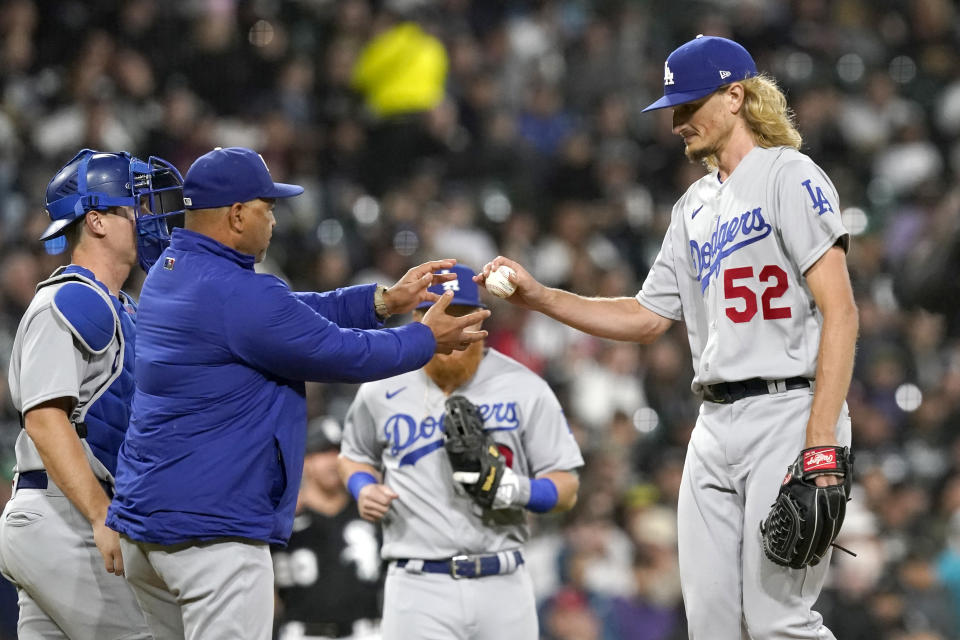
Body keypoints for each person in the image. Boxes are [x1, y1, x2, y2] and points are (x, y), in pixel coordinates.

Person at [476, 35, 858, 639]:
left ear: (735, 96)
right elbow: (647, 317)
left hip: (789, 411)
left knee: (779, 621)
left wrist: (819, 439)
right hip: (713, 424)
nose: (677, 122)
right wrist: (540, 297)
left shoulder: (789, 175)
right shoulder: (692, 207)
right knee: (709, 625)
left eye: (688, 105)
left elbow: (841, 311)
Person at [106, 146, 490, 640]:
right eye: (268, 209)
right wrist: (424, 339)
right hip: (211, 532)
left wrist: (380, 301)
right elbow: (342, 354)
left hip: (150, 528)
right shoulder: (238, 293)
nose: (274, 222)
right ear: (238, 214)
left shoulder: (171, 271)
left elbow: (284, 314)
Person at [339, 263, 584, 640]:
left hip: (503, 582)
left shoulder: (524, 386)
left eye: (460, 315)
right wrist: (363, 488)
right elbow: (354, 455)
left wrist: (513, 490)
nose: (450, 326)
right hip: (417, 583)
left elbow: (567, 486)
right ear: (418, 317)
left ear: (481, 317)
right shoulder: (382, 385)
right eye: (437, 314)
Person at [0, 148, 185, 638]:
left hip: (67, 515)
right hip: (65, 515)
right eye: (134, 207)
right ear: (97, 221)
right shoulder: (69, 299)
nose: (147, 219)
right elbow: (43, 419)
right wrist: (102, 516)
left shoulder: (121, 305)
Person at [272, 417, 383, 640]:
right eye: (323, 452)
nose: (333, 461)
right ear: (305, 460)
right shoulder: (281, 522)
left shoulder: (372, 513)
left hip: (369, 631)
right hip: (302, 633)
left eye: (339, 452)